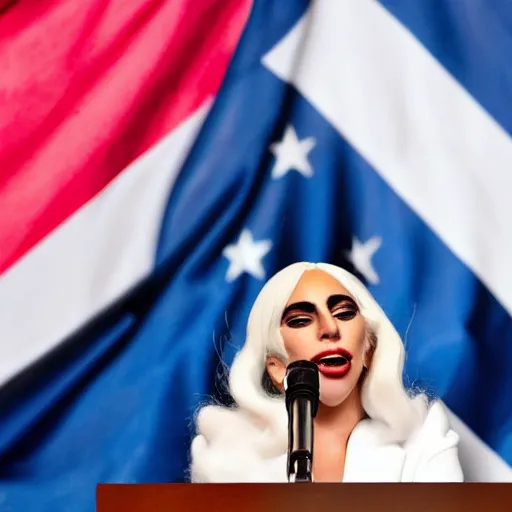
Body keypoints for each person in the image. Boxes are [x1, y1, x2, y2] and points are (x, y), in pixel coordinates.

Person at [190, 262, 464, 482]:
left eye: (344, 312)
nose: (330, 328)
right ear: (277, 367)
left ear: (369, 349)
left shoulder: (423, 438)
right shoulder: (229, 455)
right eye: (300, 320)